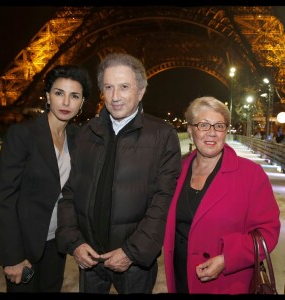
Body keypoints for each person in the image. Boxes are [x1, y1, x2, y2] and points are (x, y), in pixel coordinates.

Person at [56, 52, 182, 294]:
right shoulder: (86, 133)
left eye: (124, 87)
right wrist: (76, 244)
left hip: (134, 264)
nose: (115, 97)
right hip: (89, 256)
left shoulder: (163, 136)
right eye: (108, 87)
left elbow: (162, 203)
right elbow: (70, 193)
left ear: (141, 91)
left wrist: (131, 252)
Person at [0, 64, 91, 292]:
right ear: (47, 96)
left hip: (57, 241)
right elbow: (5, 199)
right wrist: (12, 256)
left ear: (82, 103)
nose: (66, 103)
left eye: (74, 96)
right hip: (23, 244)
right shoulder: (22, 135)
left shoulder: (77, 137)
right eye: (58, 93)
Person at [163, 96, 281, 294]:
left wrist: (227, 259)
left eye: (219, 125)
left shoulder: (251, 174)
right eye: (203, 125)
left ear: (226, 130)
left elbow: (268, 232)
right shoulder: (177, 171)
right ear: (190, 130)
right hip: (181, 277)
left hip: (227, 283)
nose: (212, 132)